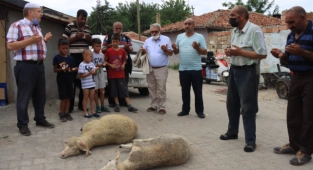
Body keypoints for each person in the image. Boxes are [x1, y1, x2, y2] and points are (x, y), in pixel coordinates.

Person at [220, 5, 267, 152]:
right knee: (232, 104)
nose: (230, 18)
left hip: (248, 72)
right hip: (234, 70)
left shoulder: (254, 30)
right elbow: (237, 50)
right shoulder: (234, 31)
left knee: (247, 108)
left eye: (232, 15)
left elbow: (262, 54)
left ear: (242, 16)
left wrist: (240, 52)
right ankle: (232, 132)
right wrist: (231, 52)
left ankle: (250, 141)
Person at [271, 6, 313, 165]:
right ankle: (294, 144)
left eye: (292, 22)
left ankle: (306, 151)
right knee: (293, 114)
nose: (289, 26)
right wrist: (281, 56)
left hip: (311, 78)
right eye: (287, 23)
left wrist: (302, 52)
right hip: (295, 77)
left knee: (309, 117)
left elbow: (302, 54)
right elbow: (288, 60)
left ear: (303, 18)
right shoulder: (291, 35)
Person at [6, 2, 54, 136]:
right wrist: (31, 41)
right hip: (26, 66)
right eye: (39, 11)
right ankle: (22, 124)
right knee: (24, 97)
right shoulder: (17, 25)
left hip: (39, 66)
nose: (41, 14)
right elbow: (10, 46)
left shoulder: (36, 27)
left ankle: (40, 119)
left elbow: (35, 45)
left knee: (40, 96)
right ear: (30, 12)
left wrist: (44, 40)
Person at [171, 18, 207, 119]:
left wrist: (197, 48)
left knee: (198, 92)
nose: (187, 25)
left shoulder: (199, 37)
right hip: (183, 69)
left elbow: (204, 52)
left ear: (193, 25)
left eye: (189, 24)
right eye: (185, 24)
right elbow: (176, 52)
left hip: (196, 69)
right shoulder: (179, 37)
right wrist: (174, 48)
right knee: (185, 91)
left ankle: (200, 111)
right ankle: (185, 110)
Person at [63, 9, 92, 112]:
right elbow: (63, 41)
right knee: (72, 81)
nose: (83, 21)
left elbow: (91, 43)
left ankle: (81, 105)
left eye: (85, 19)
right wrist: (75, 38)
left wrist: (89, 40)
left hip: (84, 58)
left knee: (83, 82)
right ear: (77, 17)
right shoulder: (70, 26)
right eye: (81, 18)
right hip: (73, 57)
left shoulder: (88, 28)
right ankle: (69, 107)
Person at [142, 23, 173, 114]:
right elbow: (144, 53)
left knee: (161, 88)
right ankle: (153, 105)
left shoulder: (166, 39)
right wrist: (144, 51)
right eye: (152, 32)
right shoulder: (147, 41)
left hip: (161, 68)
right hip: (150, 68)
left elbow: (170, 53)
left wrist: (165, 50)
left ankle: (162, 107)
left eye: (156, 31)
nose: (154, 33)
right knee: (152, 88)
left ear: (160, 31)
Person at [102, 22, 133, 107]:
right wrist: (108, 47)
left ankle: (123, 102)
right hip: (112, 66)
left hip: (124, 65)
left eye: (120, 29)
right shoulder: (108, 37)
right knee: (112, 84)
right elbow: (103, 49)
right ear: (113, 28)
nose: (118, 30)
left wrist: (128, 48)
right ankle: (112, 102)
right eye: (116, 28)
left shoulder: (126, 38)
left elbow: (131, 49)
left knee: (123, 83)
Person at [105, 33, 138, 113]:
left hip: (121, 74)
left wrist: (123, 65)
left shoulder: (122, 51)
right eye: (113, 41)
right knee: (114, 90)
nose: (115, 43)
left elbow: (125, 60)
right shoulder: (108, 51)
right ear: (111, 42)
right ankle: (117, 105)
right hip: (112, 75)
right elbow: (105, 61)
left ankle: (129, 105)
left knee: (123, 89)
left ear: (119, 42)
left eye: (116, 41)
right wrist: (110, 65)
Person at [53, 39, 77, 122]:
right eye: (63, 48)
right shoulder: (56, 57)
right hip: (61, 80)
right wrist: (62, 69)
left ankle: (67, 112)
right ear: (58, 48)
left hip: (69, 79)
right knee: (63, 97)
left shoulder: (70, 58)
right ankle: (62, 113)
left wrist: (74, 69)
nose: (65, 50)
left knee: (69, 97)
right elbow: (55, 70)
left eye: (67, 48)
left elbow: (72, 68)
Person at [78, 49, 100, 118]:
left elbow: (95, 74)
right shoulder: (81, 65)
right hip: (85, 85)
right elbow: (81, 76)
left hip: (92, 84)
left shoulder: (92, 64)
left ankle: (93, 111)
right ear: (85, 56)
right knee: (85, 98)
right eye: (90, 56)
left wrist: (95, 71)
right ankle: (85, 112)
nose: (91, 58)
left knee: (92, 98)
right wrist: (89, 73)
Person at [91, 38, 110, 113]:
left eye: (99, 46)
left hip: (101, 73)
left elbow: (103, 63)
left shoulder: (102, 54)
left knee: (102, 90)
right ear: (93, 46)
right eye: (97, 46)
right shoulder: (91, 54)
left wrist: (103, 64)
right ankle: (97, 106)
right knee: (96, 91)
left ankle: (102, 106)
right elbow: (89, 64)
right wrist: (96, 66)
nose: (98, 48)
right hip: (94, 74)